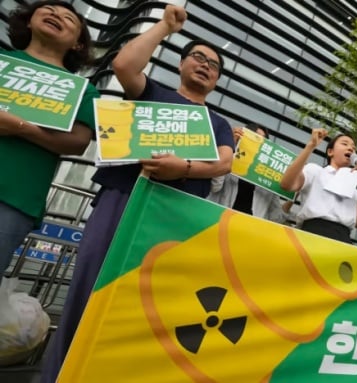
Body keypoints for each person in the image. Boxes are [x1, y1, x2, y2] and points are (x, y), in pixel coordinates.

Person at [42, 5, 234, 382]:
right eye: (197, 57)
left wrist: (187, 169)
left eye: (213, 64)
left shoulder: (218, 122)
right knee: (90, 288)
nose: (205, 65)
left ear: (216, 80)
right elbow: (125, 66)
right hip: (122, 199)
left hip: (178, 216)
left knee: (149, 307)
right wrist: (164, 26)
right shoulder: (152, 91)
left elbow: (225, 163)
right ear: (180, 64)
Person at [0, 1, 99, 283]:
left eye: (68, 18)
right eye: (49, 10)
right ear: (29, 22)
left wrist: (20, 127)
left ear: (78, 45)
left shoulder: (84, 91)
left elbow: (78, 142)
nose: (57, 15)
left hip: (13, 200)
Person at [280, 129, 357, 243]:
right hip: (312, 232)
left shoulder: (352, 185)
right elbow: (286, 184)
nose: (351, 148)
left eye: (353, 147)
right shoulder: (315, 171)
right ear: (330, 152)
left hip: (342, 239)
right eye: (344, 144)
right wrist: (310, 146)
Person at [208, 123, 285, 223]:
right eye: (254, 136)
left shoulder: (267, 174)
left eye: (263, 140)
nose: (257, 142)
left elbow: (276, 217)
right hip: (220, 222)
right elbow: (215, 187)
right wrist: (230, 148)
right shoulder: (230, 160)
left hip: (249, 230)